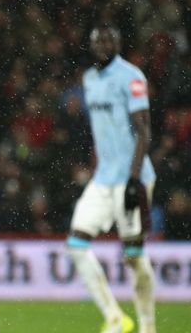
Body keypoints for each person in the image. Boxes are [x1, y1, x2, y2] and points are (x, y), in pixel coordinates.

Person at [66, 25, 156, 333]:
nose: (103, 44)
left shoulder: (131, 76)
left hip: (133, 177)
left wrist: (134, 181)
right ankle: (116, 317)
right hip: (103, 179)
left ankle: (147, 326)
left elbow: (144, 131)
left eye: (109, 39)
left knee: (134, 255)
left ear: (118, 42)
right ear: (90, 45)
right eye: (98, 40)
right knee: (77, 244)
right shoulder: (89, 80)